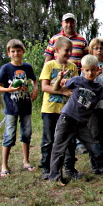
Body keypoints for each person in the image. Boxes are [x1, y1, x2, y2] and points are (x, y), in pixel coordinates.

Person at [48, 55, 103, 186]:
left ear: (97, 70)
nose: (90, 73)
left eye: (92, 70)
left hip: (81, 124)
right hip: (67, 119)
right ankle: (55, 177)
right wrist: (59, 79)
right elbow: (57, 89)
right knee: (59, 148)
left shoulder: (98, 88)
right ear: (83, 70)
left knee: (95, 146)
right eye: (87, 70)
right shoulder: (77, 80)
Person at [0, 39, 38, 177]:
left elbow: (34, 79)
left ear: (23, 51)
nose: (16, 53)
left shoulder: (27, 67)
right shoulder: (6, 68)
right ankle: (4, 165)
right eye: (13, 51)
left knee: (26, 134)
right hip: (11, 108)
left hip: (26, 106)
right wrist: (10, 89)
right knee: (9, 135)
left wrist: (35, 89)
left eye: (18, 50)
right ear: (8, 53)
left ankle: (26, 161)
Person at [39, 37, 79, 180]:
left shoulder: (73, 67)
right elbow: (44, 87)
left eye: (71, 51)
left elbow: (76, 86)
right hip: (50, 109)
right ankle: (46, 168)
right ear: (57, 50)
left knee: (69, 140)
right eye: (66, 51)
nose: (69, 53)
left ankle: (69, 167)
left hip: (67, 111)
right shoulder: (49, 65)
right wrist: (62, 90)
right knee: (49, 140)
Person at [85, 38, 103, 174]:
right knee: (94, 134)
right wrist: (94, 75)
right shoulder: (87, 64)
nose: (99, 50)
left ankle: (101, 158)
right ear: (91, 50)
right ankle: (94, 162)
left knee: (102, 135)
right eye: (96, 48)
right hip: (92, 106)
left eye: (101, 48)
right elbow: (84, 84)